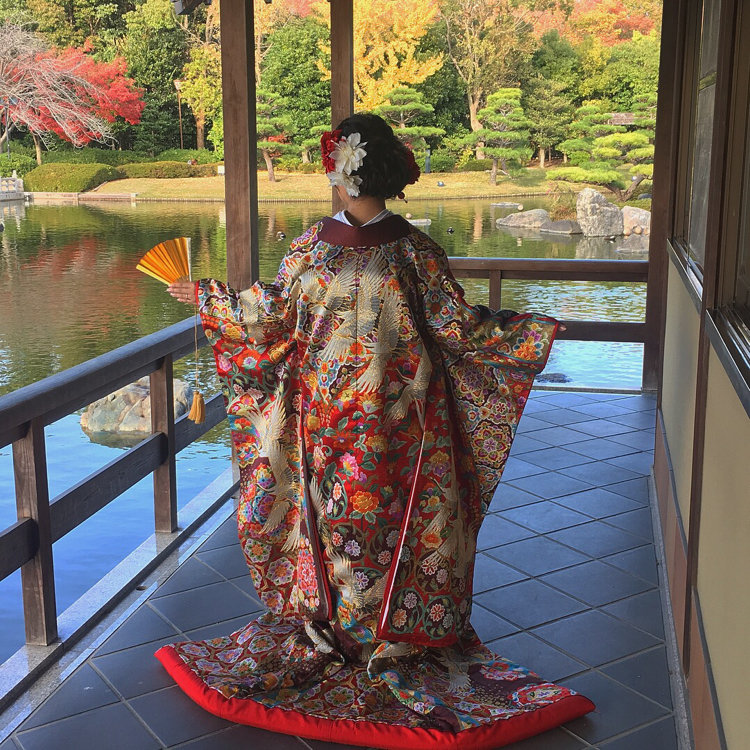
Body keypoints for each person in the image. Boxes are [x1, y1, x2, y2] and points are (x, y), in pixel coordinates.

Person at [160, 113, 593, 749]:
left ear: (339, 175)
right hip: (402, 424)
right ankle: (392, 634)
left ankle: (341, 631)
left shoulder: (313, 249)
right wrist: (531, 330)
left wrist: (208, 298)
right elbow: (460, 329)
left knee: (337, 522)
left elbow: (270, 317)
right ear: (386, 174)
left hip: (327, 419)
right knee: (392, 524)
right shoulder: (417, 251)